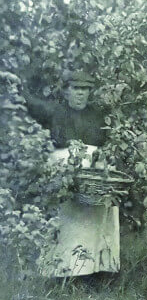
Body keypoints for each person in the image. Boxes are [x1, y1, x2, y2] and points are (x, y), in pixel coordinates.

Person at [24, 71, 118, 278]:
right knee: (67, 223)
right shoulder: (55, 111)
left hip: (93, 178)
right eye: (76, 89)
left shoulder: (98, 115)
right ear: (66, 91)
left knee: (94, 222)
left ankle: (94, 270)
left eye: (84, 89)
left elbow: (110, 142)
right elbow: (28, 102)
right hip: (64, 177)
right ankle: (61, 270)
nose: (80, 94)